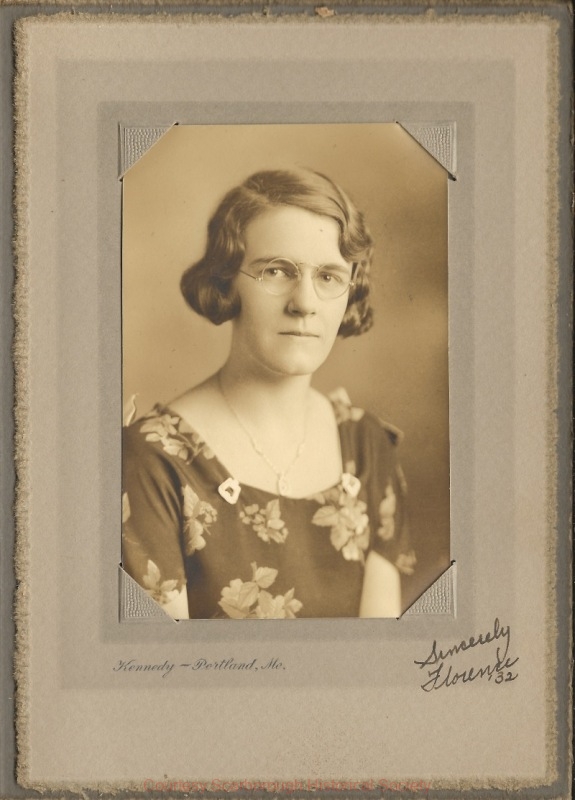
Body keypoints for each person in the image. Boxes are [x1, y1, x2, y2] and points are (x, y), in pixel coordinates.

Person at [122, 168, 416, 620]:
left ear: (350, 289)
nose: (305, 303)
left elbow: (380, 654)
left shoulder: (367, 446)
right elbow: (161, 662)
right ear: (227, 281)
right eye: (276, 271)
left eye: (329, 276)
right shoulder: (154, 461)